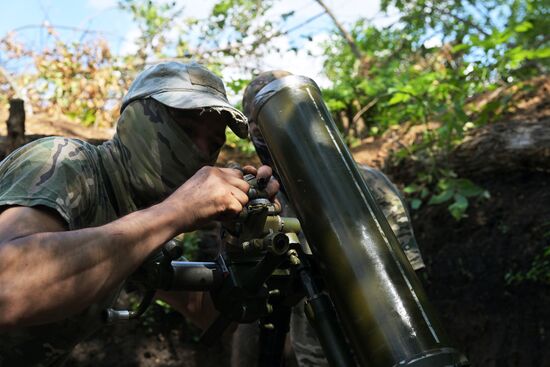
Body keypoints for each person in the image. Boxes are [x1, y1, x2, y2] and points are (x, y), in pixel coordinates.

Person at [0, 61, 278, 366]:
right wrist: (176, 211)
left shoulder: (140, 213)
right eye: (185, 129)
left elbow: (205, 312)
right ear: (136, 120)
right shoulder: (65, 161)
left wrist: (241, 238)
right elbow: (8, 287)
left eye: (213, 143)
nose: (200, 152)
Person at [231, 70, 426, 366]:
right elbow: (252, 301)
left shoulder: (368, 186)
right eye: (259, 128)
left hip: (390, 348)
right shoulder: (263, 199)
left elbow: (410, 282)